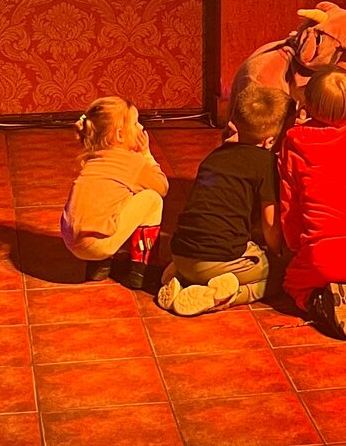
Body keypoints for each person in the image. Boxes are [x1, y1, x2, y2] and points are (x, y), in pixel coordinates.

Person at [157, 86, 290, 316]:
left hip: (179, 253)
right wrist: (277, 253)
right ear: (269, 141)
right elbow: (270, 225)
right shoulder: (265, 163)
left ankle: (180, 278)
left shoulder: (213, 157)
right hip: (217, 261)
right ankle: (218, 297)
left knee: (209, 258)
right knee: (279, 275)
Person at [279, 66, 346, 339]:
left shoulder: (295, 141)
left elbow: (289, 203)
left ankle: (319, 301)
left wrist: (294, 246)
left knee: (293, 284)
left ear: (308, 102)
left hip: (321, 253)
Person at [61, 96, 169, 287]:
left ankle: (99, 266)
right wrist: (146, 155)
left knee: (114, 200)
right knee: (152, 198)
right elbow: (162, 187)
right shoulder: (132, 162)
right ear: (120, 135)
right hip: (97, 244)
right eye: (135, 123)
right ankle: (141, 270)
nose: (141, 128)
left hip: (72, 243)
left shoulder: (93, 159)